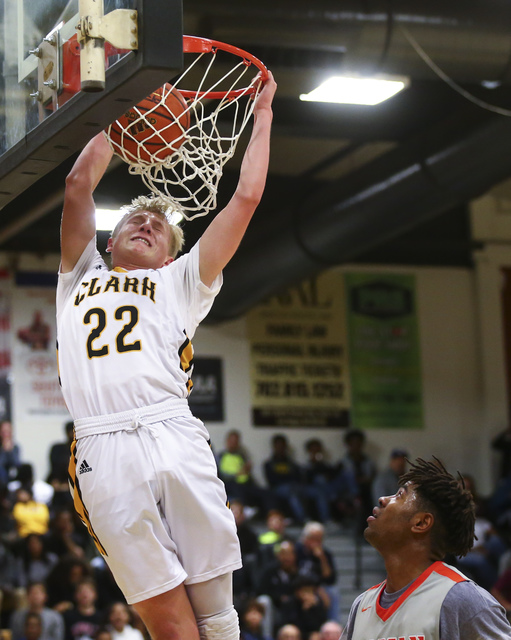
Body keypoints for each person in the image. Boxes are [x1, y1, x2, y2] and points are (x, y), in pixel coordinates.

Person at [56, 71, 276, 640]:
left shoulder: (182, 283)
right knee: (172, 627)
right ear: (111, 240)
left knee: (219, 620)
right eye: (137, 219)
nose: (150, 223)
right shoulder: (79, 273)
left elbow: (247, 198)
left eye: (160, 227)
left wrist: (265, 117)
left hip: (173, 431)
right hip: (103, 446)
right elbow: (79, 184)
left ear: (173, 256)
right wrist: (120, 111)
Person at [341, 457, 511, 640]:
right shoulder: (362, 604)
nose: (382, 499)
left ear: (422, 522)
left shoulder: (459, 598)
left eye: (399, 495)